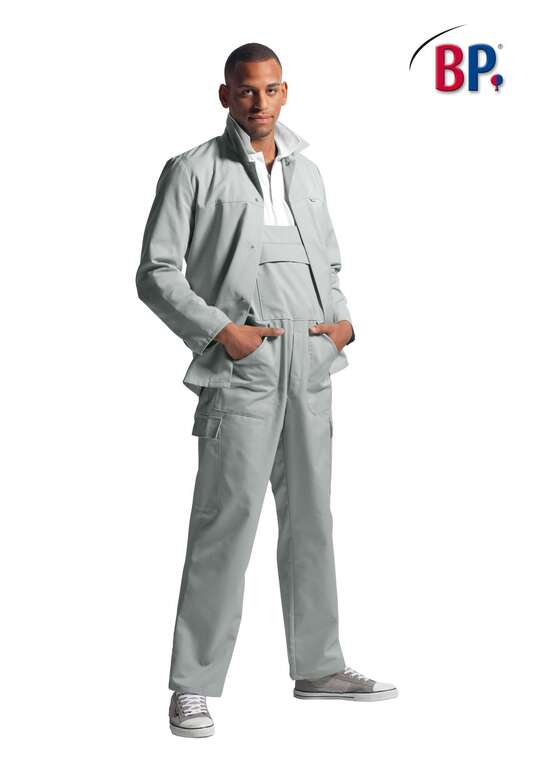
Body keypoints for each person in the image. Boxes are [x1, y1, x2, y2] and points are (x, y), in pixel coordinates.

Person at [136, 42, 398, 739]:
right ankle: (192, 686)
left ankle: (319, 667)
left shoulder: (308, 171)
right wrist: (223, 333)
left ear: (286, 92)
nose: (260, 101)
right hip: (243, 367)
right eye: (247, 90)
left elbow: (329, 261)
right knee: (226, 521)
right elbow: (157, 273)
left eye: (272, 89)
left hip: (310, 363)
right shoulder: (193, 170)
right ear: (226, 95)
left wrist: (341, 326)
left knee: (313, 519)